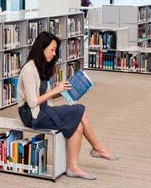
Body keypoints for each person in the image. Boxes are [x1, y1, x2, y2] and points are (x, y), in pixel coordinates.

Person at [18, 31, 119, 180]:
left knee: (77, 125)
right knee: (80, 110)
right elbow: (33, 102)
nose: (54, 53)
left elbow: (46, 95)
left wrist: (63, 90)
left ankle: (73, 167)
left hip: (43, 109)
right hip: (30, 114)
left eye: (55, 50)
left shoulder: (42, 66)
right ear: (41, 48)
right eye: (52, 49)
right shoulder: (29, 69)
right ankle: (97, 148)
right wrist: (54, 90)